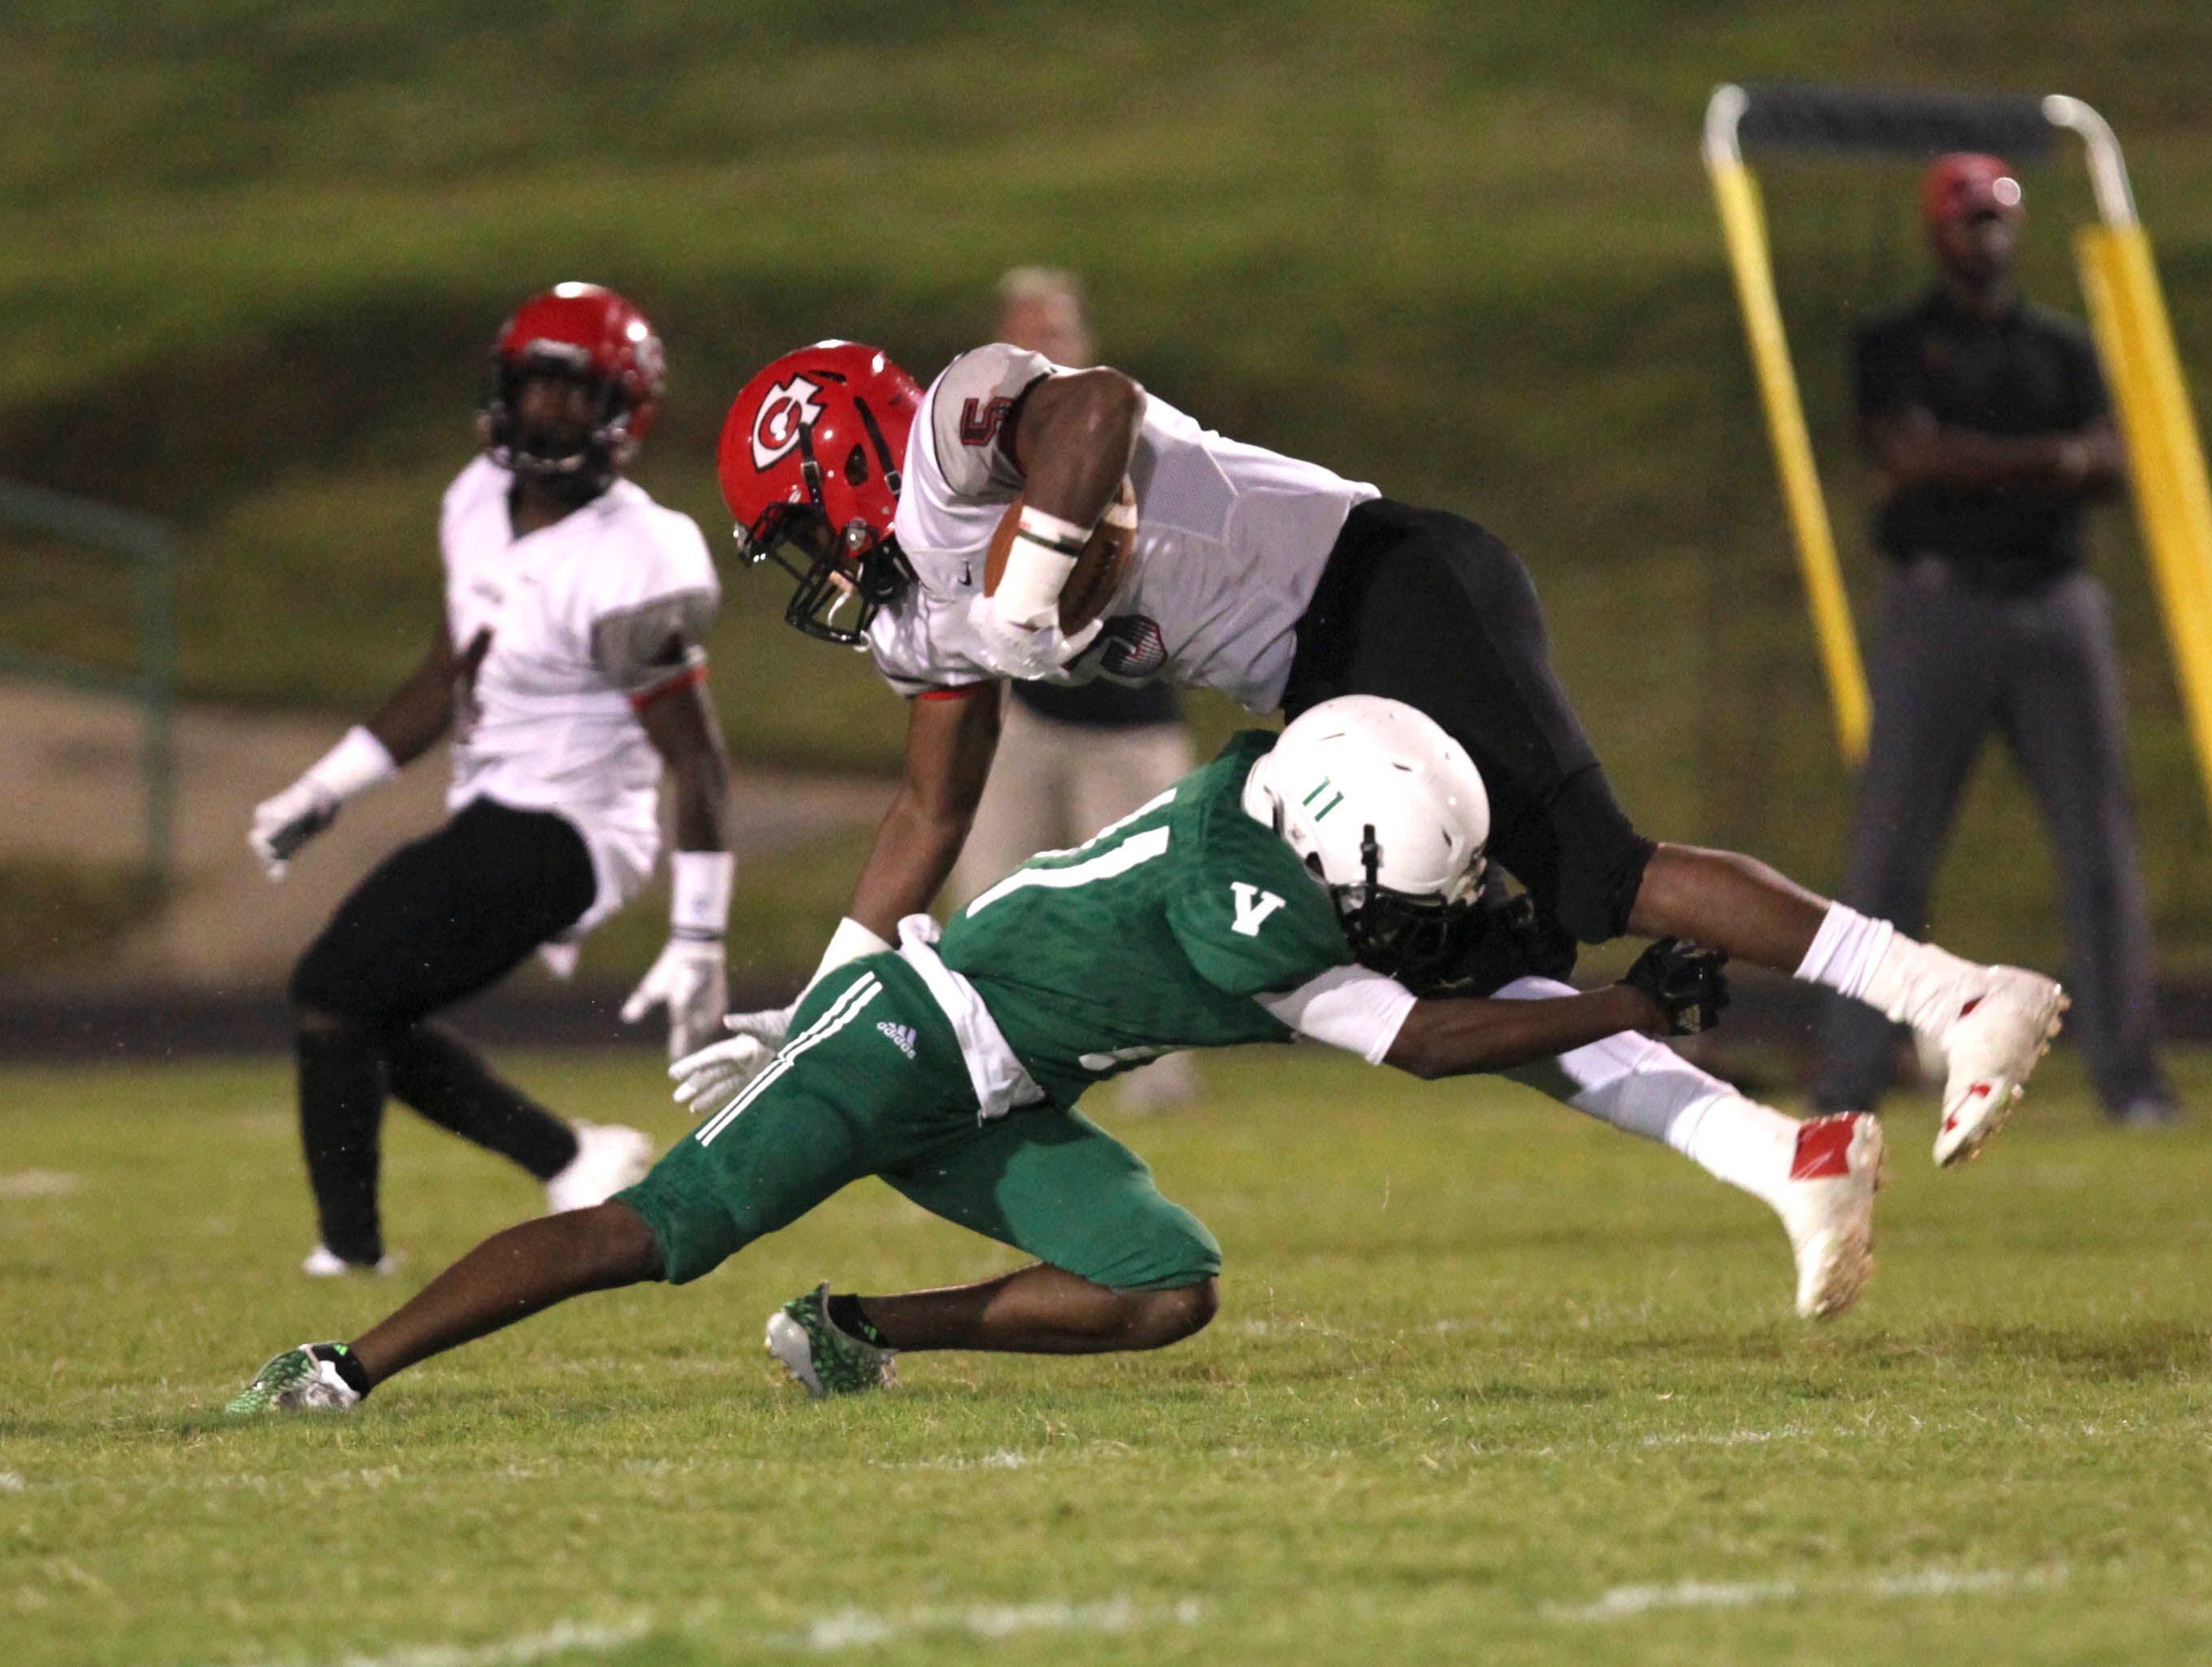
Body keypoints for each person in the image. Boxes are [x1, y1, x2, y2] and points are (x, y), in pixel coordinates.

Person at [227, 698, 1883, 1416]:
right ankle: (342, 1367)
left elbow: (1422, 959)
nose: (1404, 916)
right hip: (897, 1049)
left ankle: (850, 1330)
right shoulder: (1247, 909)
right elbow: (1433, 1042)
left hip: (999, 1084)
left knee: (1164, 1285)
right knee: (648, 1238)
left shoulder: (1287, 806)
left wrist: (1595, 984)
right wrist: (1609, 1002)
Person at [711, 331, 2067, 1174]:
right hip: (1310, 678)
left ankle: (1953, 991)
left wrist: (1028, 589)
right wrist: (827, 991)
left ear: (843, 456)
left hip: (1383, 584)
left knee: (1596, 876)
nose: (815, 569)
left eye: (799, 528)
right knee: (1460, 968)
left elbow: (1096, 407)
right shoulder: (917, 620)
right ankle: (1785, 1160)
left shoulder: (956, 447)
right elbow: (928, 810)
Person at [246, 283, 734, 1276]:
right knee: (360, 1007)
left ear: (620, 411)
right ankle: (569, 1155)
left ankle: (350, 1254)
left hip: (574, 829)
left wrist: (698, 934)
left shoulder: (633, 558)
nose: (546, 411)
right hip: (493, 809)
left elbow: (698, 759)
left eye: (572, 393)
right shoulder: (474, 500)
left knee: (333, 988)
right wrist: (325, 787)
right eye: (533, 388)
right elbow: (442, 676)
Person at [1813, 153, 2176, 1128]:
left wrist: (1971, 465)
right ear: (1938, 230)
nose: (1989, 236)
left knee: (2097, 847)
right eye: (1972, 220)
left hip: (2054, 607)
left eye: (2000, 218)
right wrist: (2044, 461)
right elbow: (1907, 456)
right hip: (1938, 610)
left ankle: (2129, 1080)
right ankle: (1846, 1077)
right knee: (1890, 852)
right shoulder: (1895, 341)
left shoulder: (2059, 345)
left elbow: (2108, 460)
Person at [951, 267, 1203, 1111]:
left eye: (1050, 333)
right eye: (1020, 335)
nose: (1037, 351)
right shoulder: (981, 452)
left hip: (1129, 719)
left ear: (1081, 343)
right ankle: (987, 1069)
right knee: (988, 896)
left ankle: (1159, 1080)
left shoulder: (1139, 436)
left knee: (1145, 908)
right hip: (1021, 711)